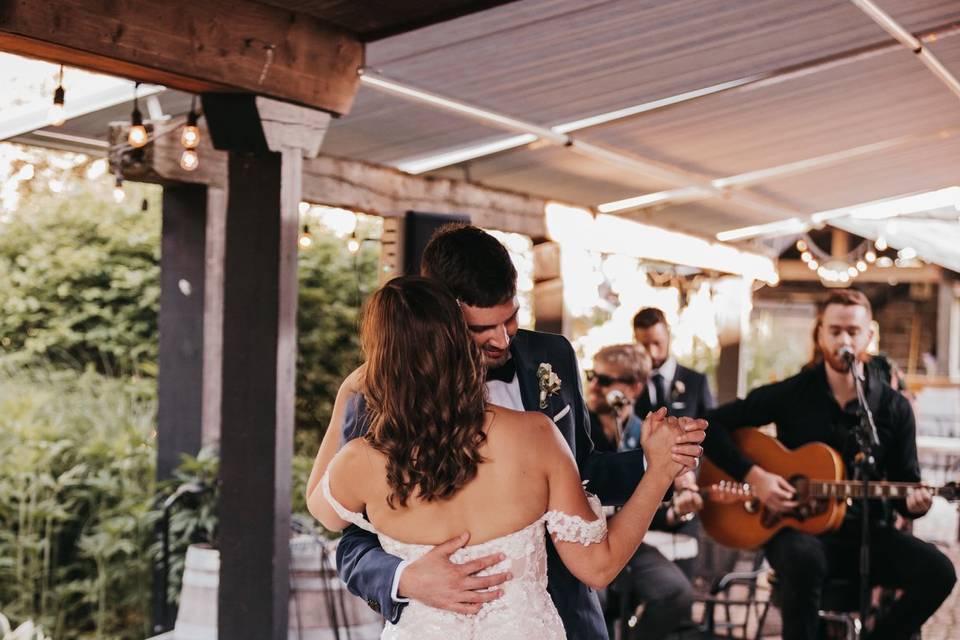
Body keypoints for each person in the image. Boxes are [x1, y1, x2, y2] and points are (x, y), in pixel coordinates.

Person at [312, 224, 707, 640]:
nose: (502, 339)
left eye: (512, 317)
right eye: (481, 330)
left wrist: (652, 462)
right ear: (444, 318)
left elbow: (582, 470)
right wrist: (402, 578)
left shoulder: (551, 356)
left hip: (565, 614)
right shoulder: (373, 397)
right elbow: (354, 537)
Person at [702, 289, 956, 640]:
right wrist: (755, 476)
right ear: (820, 333)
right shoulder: (793, 393)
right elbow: (709, 425)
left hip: (865, 533)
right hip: (797, 531)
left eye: (853, 331)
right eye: (835, 331)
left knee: (939, 571)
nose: (843, 340)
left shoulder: (893, 408)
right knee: (803, 560)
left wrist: (915, 506)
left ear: (870, 335)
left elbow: (904, 486)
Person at [586, 344, 699, 640]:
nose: (594, 386)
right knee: (592, 603)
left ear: (635, 387)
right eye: (592, 376)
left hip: (631, 542)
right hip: (585, 543)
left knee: (676, 592)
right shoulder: (579, 428)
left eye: (606, 380)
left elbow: (648, 510)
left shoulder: (646, 432)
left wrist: (676, 512)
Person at [632, 307, 714, 421]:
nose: (652, 353)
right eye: (644, 345)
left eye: (657, 343)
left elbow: (712, 430)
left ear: (668, 336)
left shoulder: (696, 382)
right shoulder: (630, 383)